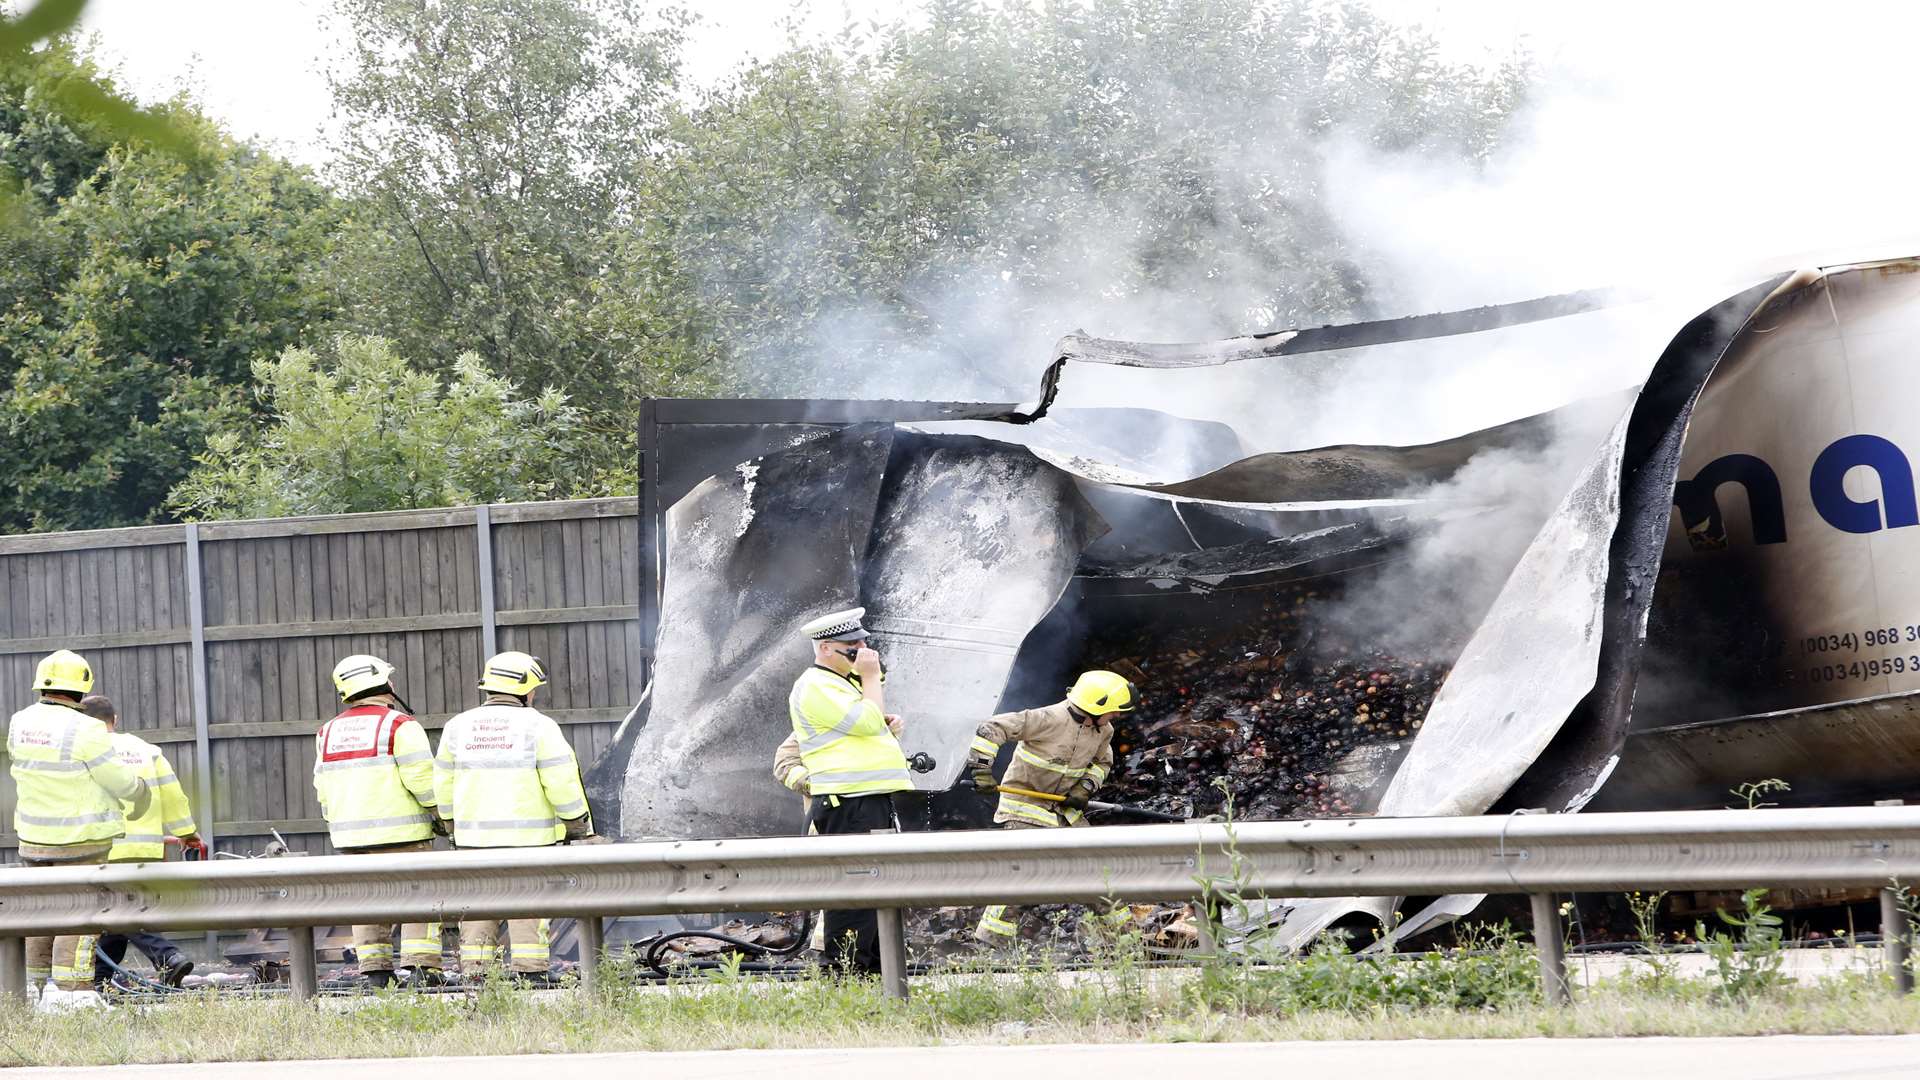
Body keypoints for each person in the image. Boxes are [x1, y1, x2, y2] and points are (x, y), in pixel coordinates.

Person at [435, 650, 596, 984]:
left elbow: (443, 784)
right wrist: (578, 825)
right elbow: (561, 782)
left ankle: (475, 976)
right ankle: (530, 972)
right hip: (528, 842)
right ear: (528, 689)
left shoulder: (457, 726)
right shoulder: (539, 726)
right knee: (528, 904)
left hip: (473, 841)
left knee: (478, 907)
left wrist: (451, 827)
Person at [7, 650, 149, 992]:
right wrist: (140, 792)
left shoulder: (19, 721)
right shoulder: (87, 727)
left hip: (34, 841)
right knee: (79, 919)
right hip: (82, 841)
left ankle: (37, 992)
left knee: (42, 915)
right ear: (83, 687)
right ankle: (73, 996)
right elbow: (116, 779)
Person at [786, 607, 911, 975]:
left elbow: (866, 730)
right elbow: (867, 722)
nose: (863, 653)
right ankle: (845, 977)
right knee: (854, 898)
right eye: (852, 648)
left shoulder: (843, 684)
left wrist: (887, 725)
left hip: (868, 801)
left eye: (863, 644)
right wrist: (872, 680)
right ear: (826, 648)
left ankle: (875, 974)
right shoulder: (816, 685)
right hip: (848, 805)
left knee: (878, 892)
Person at [965, 670, 1132, 945]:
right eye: (1113, 711)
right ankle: (990, 944)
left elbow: (1102, 763)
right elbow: (992, 728)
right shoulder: (1047, 718)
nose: (1115, 716)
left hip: (1065, 813)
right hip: (1024, 808)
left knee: (1099, 871)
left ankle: (1125, 944)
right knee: (1027, 873)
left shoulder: (1104, 730)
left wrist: (1084, 788)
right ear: (1095, 705)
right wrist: (981, 769)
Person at [313, 654, 448, 989]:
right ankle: (422, 969)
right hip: (403, 835)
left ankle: (376, 972)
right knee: (420, 898)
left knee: (367, 902)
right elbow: (422, 780)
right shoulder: (400, 725)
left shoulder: (327, 731)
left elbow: (322, 787)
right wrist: (442, 816)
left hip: (351, 840)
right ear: (385, 684)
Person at [82, 694, 201, 989]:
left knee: (119, 911)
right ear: (115, 719)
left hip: (104, 847)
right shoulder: (146, 750)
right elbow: (173, 795)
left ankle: (168, 957)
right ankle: (99, 981)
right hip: (145, 848)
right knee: (117, 914)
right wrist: (187, 833)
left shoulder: (84, 752)